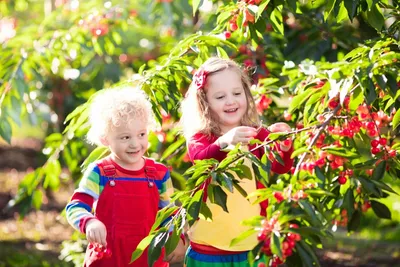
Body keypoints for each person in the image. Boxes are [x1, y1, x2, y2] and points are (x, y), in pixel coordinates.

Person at [180, 57, 294, 267]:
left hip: (250, 244)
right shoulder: (201, 138)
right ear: (205, 102)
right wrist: (224, 142)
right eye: (220, 96)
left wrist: (284, 148)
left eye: (236, 93)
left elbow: (281, 167)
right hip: (209, 246)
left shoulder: (256, 134)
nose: (231, 101)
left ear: (246, 94)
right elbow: (201, 159)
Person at [65, 86, 186, 267]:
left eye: (141, 134)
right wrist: (89, 222)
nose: (135, 144)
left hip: (149, 260)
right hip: (110, 259)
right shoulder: (100, 172)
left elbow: (168, 214)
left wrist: (177, 238)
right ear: (105, 139)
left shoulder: (159, 174)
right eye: (125, 137)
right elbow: (75, 207)